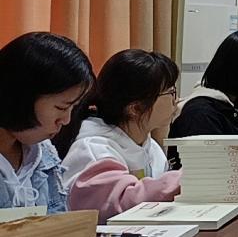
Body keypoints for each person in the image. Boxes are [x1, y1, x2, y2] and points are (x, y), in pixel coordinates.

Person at [60, 50, 182, 222]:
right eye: (170, 92)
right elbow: (119, 204)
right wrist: (192, 177)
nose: (176, 100)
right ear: (135, 108)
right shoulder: (94, 149)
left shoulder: (150, 146)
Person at [0, 32, 94, 213]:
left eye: (72, 108)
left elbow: (57, 223)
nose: (65, 120)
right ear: (21, 97)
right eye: (61, 107)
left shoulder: (43, 152)